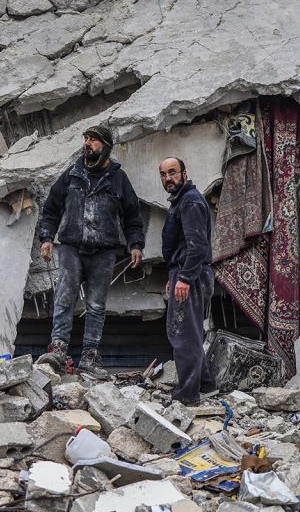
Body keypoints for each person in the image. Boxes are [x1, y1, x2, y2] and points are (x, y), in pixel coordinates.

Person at [35, 125, 144, 377]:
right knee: (64, 298)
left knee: (96, 305)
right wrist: (47, 238)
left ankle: (89, 357)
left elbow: (132, 216)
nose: (87, 143)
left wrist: (135, 244)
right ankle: (58, 351)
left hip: (104, 252)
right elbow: (51, 209)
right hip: (72, 247)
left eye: (93, 140)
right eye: (86, 139)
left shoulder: (118, 178)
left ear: (105, 146)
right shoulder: (72, 174)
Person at [158, 156, 218, 404]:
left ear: (184, 173)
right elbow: (183, 245)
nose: (168, 178)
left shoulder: (190, 201)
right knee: (189, 333)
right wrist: (174, 274)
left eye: (172, 172)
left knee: (183, 336)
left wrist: (184, 277)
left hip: (191, 274)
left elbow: (197, 245)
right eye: (163, 174)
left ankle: (188, 395)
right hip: (185, 272)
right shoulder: (181, 201)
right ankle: (206, 386)